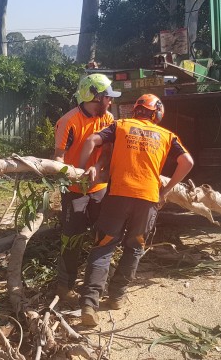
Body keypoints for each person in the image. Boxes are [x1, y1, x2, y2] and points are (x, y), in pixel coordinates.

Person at [77, 94, 194, 326]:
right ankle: (117, 296)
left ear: (136, 110)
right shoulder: (167, 136)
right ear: (158, 113)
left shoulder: (120, 125)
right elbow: (188, 162)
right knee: (134, 248)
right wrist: (167, 190)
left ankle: (90, 303)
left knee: (104, 247)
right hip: (148, 200)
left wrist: (81, 171)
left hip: (118, 196)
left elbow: (91, 140)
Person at [53, 73, 121, 305]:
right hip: (74, 189)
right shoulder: (68, 121)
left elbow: (109, 152)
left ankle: (97, 281)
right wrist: (78, 173)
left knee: (103, 236)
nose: (110, 101)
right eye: (107, 97)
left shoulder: (109, 118)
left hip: (99, 187)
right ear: (95, 96)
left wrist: (98, 166)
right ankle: (65, 286)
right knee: (72, 238)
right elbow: (58, 159)